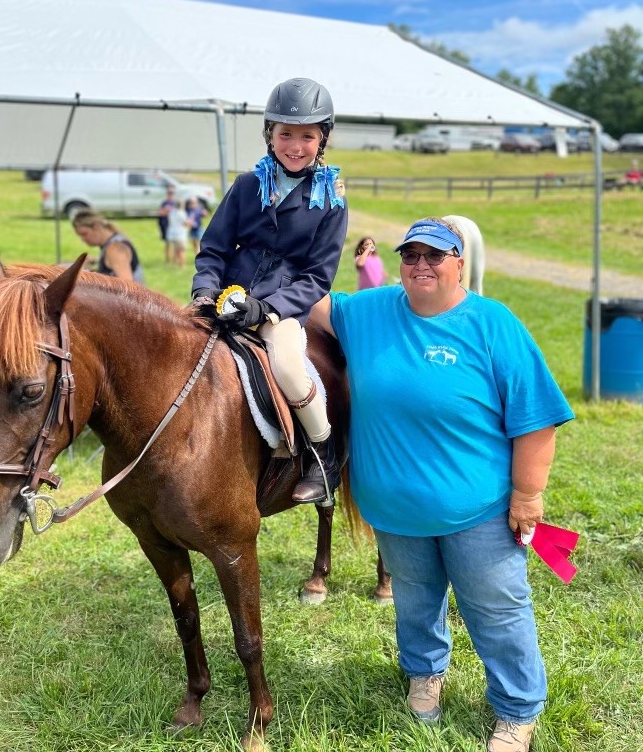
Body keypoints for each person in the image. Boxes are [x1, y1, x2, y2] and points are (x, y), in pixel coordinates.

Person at [308, 216, 575, 751]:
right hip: (396, 509)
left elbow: (536, 418)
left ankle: (517, 710)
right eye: (411, 256)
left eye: (436, 255)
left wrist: (527, 494)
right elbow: (307, 300)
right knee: (414, 599)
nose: (421, 265)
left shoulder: (492, 324)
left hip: (478, 510)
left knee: (496, 611)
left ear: (460, 264)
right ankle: (424, 672)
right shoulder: (369, 310)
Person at [191, 77, 348, 504]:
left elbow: (318, 277)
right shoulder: (247, 186)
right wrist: (205, 293)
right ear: (269, 136)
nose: (295, 145)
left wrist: (267, 309)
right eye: (286, 134)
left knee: (291, 369)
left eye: (307, 136)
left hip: (282, 309)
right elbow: (213, 249)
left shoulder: (331, 200)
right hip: (226, 298)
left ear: (322, 139)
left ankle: (323, 455)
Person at [71, 209, 145, 284]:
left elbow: (127, 285)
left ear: (96, 227)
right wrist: (97, 260)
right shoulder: (113, 243)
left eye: (84, 234)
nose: (83, 239)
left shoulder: (114, 249)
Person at [166, 200, 191, 268]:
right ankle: (183, 265)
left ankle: (174, 265)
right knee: (182, 250)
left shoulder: (172, 212)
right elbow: (185, 223)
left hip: (172, 234)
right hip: (180, 234)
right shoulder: (182, 213)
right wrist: (190, 222)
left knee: (175, 250)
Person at [157, 185, 178, 264]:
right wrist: (167, 211)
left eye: (172, 193)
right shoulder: (164, 203)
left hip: (175, 225)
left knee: (176, 242)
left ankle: (175, 259)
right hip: (165, 224)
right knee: (167, 242)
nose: (171, 195)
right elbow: (160, 213)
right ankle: (167, 259)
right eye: (169, 193)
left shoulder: (176, 203)